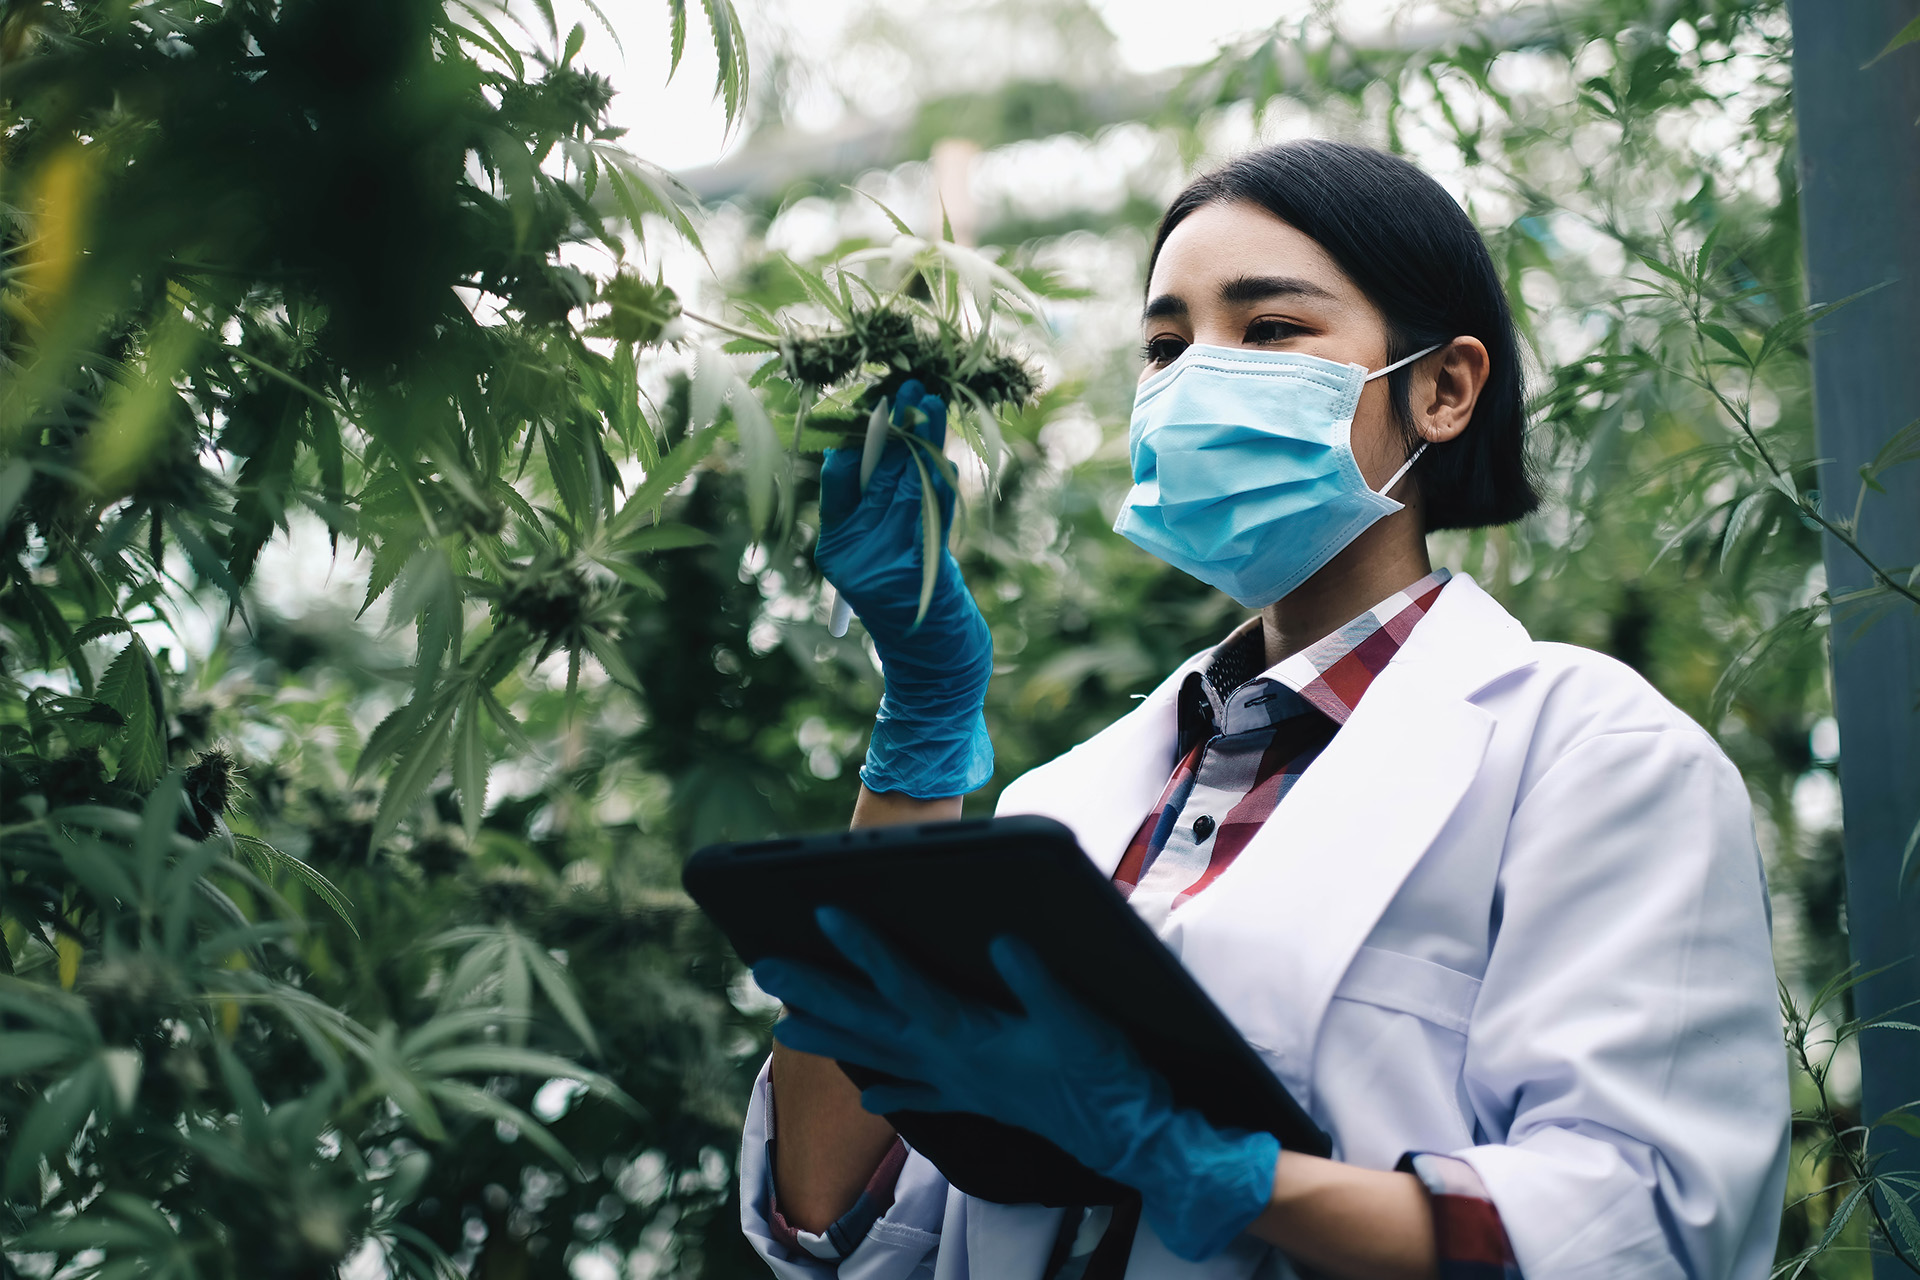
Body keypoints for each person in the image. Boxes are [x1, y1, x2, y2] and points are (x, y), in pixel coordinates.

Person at [736, 140, 1788, 1280]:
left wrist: (1200, 1164)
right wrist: (925, 723)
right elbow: (834, 1210)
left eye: (1271, 330)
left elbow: (1641, 1227)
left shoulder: (1593, 759)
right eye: (1166, 345)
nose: (1196, 380)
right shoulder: (1066, 805)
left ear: (1444, 389)